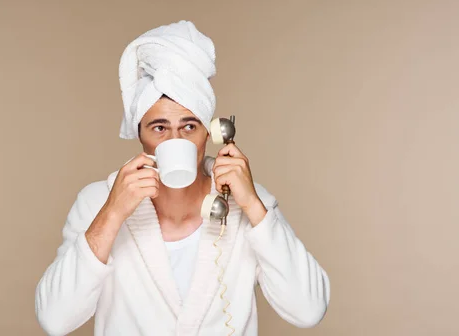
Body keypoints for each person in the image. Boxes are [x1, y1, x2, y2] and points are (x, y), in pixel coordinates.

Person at [35, 21, 330, 336]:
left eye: (189, 127)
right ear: (140, 135)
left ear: (210, 133)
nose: (175, 140)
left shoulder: (247, 201)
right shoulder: (97, 201)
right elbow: (54, 320)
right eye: (159, 128)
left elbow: (309, 309)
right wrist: (113, 213)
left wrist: (254, 207)